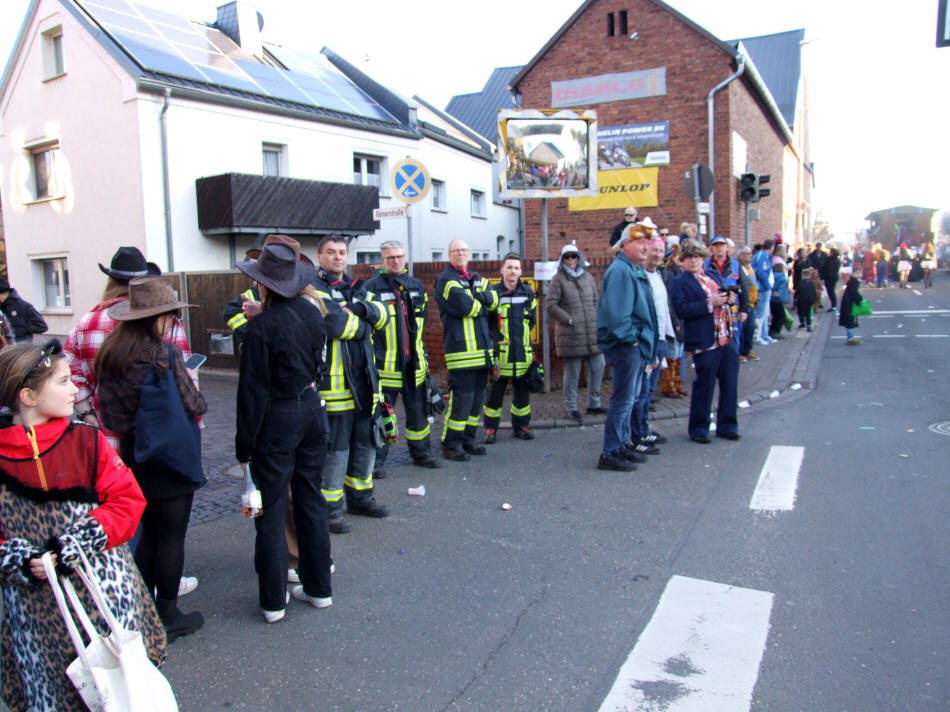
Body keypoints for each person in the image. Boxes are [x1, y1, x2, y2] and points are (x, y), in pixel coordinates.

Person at [0, 339, 166, 712]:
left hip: (102, 592)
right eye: (62, 381)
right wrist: (17, 558)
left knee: (119, 687)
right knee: (53, 687)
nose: (75, 388)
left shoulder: (86, 441)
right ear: (28, 395)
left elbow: (126, 501)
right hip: (34, 608)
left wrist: (71, 545)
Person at [95, 277, 206, 642]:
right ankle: (169, 615)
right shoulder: (165, 354)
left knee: (147, 535)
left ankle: (141, 611)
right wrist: (189, 379)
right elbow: (195, 405)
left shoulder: (110, 354)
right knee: (171, 535)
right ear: (158, 318)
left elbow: (108, 416)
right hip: (171, 457)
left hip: (133, 453)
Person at [234, 238, 333, 623]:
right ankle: (319, 587)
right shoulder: (313, 313)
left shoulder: (258, 331)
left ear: (263, 285)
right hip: (311, 410)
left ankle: (274, 600)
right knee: (311, 500)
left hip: (277, 418)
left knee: (271, 510)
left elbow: (251, 395)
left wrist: (244, 448)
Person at [64, 246, 192, 449]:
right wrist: (194, 428)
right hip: (160, 438)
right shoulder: (164, 320)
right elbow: (186, 380)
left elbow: (72, 375)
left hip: (107, 437)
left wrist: (86, 413)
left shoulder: (85, 323)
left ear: (111, 281)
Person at [311, 235, 389, 534]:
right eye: (330, 252)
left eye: (342, 252)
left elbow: (382, 316)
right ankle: (331, 509)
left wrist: (357, 313)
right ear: (320, 256)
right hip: (335, 383)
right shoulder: (313, 290)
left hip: (365, 379)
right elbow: (334, 326)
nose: (337, 257)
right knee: (337, 448)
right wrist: (363, 322)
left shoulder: (359, 287)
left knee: (366, 441)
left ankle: (361, 498)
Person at [363, 241, 439, 472]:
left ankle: (421, 453)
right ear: (382, 261)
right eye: (390, 257)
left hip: (413, 366)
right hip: (385, 368)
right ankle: (377, 461)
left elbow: (422, 322)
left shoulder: (416, 286)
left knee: (418, 415)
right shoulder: (371, 288)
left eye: (399, 256)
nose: (396, 261)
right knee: (384, 416)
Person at [595, 224, 657, 472]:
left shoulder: (630, 269)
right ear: (625, 245)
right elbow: (617, 316)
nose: (645, 247)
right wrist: (632, 339)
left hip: (632, 345)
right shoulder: (621, 271)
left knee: (629, 398)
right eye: (640, 242)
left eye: (647, 242)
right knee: (623, 399)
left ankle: (620, 445)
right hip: (626, 346)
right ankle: (610, 451)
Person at [669, 239, 740, 444]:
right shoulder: (679, 282)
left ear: (703, 259)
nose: (694, 261)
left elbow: (724, 294)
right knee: (704, 385)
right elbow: (682, 309)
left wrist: (729, 298)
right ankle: (699, 428)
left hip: (726, 336)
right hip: (705, 340)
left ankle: (728, 425)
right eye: (689, 258)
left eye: (698, 257)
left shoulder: (711, 275)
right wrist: (709, 303)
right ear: (683, 261)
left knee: (729, 383)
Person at [434, 239, 498, 460]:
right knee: (461, 401)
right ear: (449, 255)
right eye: (456, 250)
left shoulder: (475, 278)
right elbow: (466, 306)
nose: (460, 253)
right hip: (461, 354)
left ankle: (468, 440)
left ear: (469, 254)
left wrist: (479, 298)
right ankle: (451, 444)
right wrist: (480, 299)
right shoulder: (445, 280)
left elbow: (494, 301)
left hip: (482, 353)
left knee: (476, 401)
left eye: (464, 250)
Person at [545, 242, 605, 422]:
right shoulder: (558, 279)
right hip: (570, 333)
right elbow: (550, 304)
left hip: (591, 331)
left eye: (573, 256)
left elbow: (596, 300)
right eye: (567, 257)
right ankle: (571, 407)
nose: (571, 260)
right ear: (562, 260)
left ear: (579, 257)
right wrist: (568, 319)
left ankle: (594, 404)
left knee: (598, 365)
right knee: (572, 372)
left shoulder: (587, 277)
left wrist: (596, 319)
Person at [483, 253, 537, 443]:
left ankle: (521, 427)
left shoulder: (528, 293)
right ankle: (491, 429)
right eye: (509, 267)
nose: (513, 271)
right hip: (500, 355)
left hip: (522, 353)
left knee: (522, 395)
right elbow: (488, 324)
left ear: (520, 271)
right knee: (494, 396)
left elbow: (531, 322)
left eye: (516, 268)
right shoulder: (493, 293)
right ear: (502, 270)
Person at [629, 235, 672, 455]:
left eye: (660, 251)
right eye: (653, 250)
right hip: (649, 342)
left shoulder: (659, 275)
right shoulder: (640, 276)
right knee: (641, 391)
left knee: (649, 391)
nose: (657, 255)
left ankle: (644, 429)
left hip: (661, 340)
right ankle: (637, 434)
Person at [0, 278, 47, 343]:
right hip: (5, 348)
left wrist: (23, 329)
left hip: (22, 348)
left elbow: (42, 326)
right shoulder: (1, 308)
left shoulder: (24, 306)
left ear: (5, 293)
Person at [736, 246, 759, 362]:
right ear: (740, 255)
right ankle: (740, 352)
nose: (751, 255)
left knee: (750, 329)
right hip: (745, 303)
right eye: (747, 253)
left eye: (751, 253)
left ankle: (747, 351)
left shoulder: (749, 267)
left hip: (752, 303)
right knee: (742, 330)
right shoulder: (739, 267)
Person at [751, 238, 776, 345]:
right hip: (762, 289)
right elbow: (761, 273)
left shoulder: (765, 256)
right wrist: (768, 286)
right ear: (771, 247)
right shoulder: (762, 256)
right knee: (760, 313)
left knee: (766, 313)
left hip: (765, 288)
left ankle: (765, 335)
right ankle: (758, 336)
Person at [839, 268, 865, 345]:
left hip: (848, 303)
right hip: (849, 304)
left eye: (860, 273)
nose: (859, 275)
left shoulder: (852, 282)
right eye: (857, 273)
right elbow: (854, 293)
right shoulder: (853, 282)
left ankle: (850, 337)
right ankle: (850, 338)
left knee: (850, 320)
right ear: (853, 273)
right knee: (850, 321)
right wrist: (860, 300)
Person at [768, 262, 791, 340]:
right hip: (778, 299)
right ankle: (775, 331)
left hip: (771, 298)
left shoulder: (771, 276)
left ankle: (772, 330)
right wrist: (780, 294)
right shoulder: (782, 277)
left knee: (775, 315)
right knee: (781, 316)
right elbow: (782, 288)